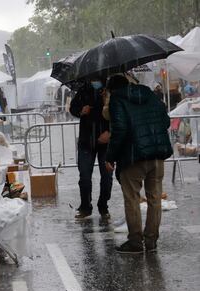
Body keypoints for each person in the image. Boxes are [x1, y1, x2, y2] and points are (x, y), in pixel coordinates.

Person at [105, 75, 173, 254]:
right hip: (157, 154)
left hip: (133, 155)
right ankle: (151, 241)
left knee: (132, 198)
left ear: (111, 90)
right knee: (154, 198)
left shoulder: (117, 100)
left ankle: (135, 242)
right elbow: (165, 121)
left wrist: (110, 156)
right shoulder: (150, 95)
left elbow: (119, 129)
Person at [69, 78, 113, 219]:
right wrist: (81, 111)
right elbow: (73, 108)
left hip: (106, 141)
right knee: (85, 176)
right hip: (86, 141)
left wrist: (110, 132)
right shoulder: (83, 90)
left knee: (107, 176)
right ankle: (85, 207)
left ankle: (103, 205)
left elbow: (118, 113)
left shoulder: (109, 91)